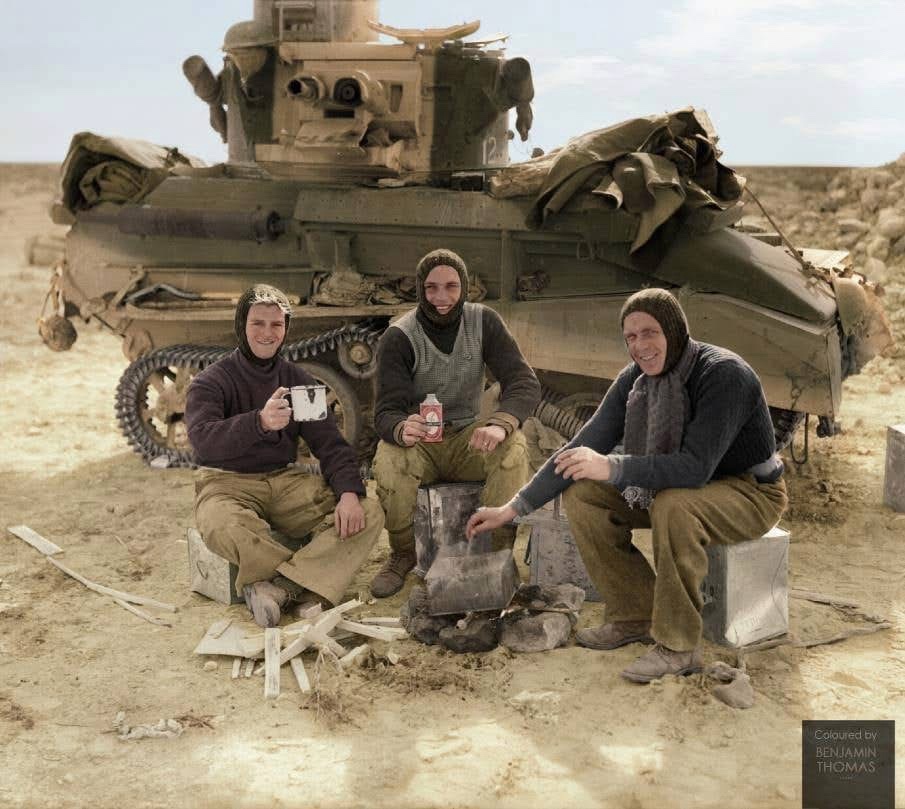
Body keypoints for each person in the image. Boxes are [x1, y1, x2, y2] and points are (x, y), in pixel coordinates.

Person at [466, 288, 788, 682]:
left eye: (650, 332)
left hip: (750, 491)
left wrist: (613, 467)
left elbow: (694, 469)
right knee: (583, 491)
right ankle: (634, 613)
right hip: (687, 486)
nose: (640, 346)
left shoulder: (723, 374)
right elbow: (578, 448)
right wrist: (511, 508)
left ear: (674, 330)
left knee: (674, 505)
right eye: (631, 337)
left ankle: (678, 645)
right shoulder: (636, 378)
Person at [185, 284, 384, 627]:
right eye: (257, 324)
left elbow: (330, 445)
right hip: (226, 483)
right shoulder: (211, 381)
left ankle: (280, 586)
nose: (267, 333)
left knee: (368, 510)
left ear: (286, 330)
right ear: (241, 327)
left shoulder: (300, 383)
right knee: (221, 524)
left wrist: (349, 493)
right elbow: (203, 442)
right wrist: (259, 422)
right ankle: (311, 583)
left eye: (276, 325)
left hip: (284, 481)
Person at [369, 249, 541, 597]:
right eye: (431, 288)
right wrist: (402, 428)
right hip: (422, 446)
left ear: (464, 287)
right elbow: (385, 410)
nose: (442, 298)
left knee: (514, 448)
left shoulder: (484, 321)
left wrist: (498, 425)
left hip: (467, 438)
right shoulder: (399, 336)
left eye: (451, 286)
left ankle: (498, 552)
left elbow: (523, 382)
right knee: (390, 458)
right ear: (420, 289)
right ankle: (402, 553)